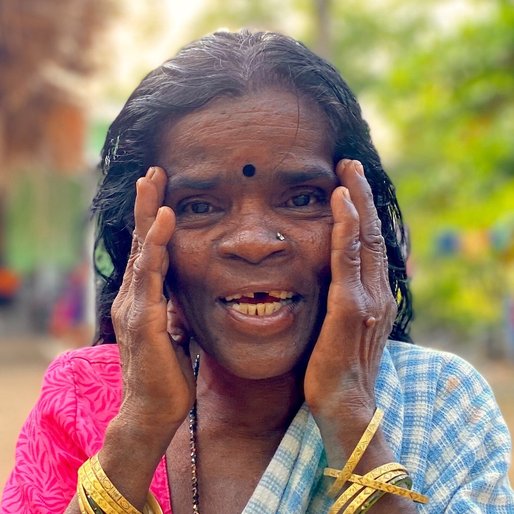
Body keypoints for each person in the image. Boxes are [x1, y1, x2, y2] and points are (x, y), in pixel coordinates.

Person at [2, 29, 513, 514]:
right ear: (141, 242)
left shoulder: (443, 402)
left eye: (301, 198)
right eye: (200, 206)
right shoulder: (81, 399)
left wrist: (350, 414)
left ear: (362, 224)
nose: (252, 242)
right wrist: (138, 429)